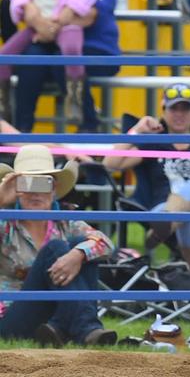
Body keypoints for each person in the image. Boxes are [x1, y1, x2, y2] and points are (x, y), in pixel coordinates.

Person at [12, 0, 121, 132]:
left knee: (62, 60)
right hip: (49, 41)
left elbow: (92, 13)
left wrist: (48, 24)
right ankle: (19, 133)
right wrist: (32, 14)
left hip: (92, 46)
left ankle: (88, 126)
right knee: (30, 60)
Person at [102, 84, 190, 286]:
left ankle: (165, 224)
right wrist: (138, 129)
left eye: (186, 109)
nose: (180, 114)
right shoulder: (154, 143)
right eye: (174, 109)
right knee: (186, 217)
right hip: (163, 209)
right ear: (163, 111)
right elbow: (110, 164)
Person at [0, 145, 116, 346]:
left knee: (81, 244)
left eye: (43, 183)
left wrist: (78, 255)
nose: (35, 192)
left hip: (50, 314)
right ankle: (87, 329)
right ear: (17, 189)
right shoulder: (5, 223)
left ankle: (58, 329)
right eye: (28, 182)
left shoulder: (66, 222)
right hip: (12, 317)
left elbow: (105, 243)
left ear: (54, 189)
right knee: (55, 248)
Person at [0, 0, 97, 125]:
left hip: (66, 24)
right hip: (37, 25)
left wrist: (70, 10)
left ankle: (75, 96)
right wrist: (28, 9)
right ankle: (3, 103)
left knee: (71, 50)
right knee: (5, 54)